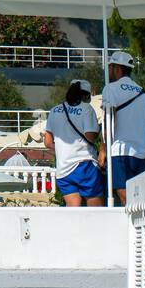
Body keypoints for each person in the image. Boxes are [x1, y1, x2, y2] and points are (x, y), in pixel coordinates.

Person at [100, 51, 145, 205]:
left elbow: (109, 118)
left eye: (111, 67)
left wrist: (103, 149)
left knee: (123, 193)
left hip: (119, 149)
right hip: (141, 151)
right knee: (138, 194)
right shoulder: (143, 93)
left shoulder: (111, 88)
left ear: (117, 68)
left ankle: (131, 226)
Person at [44, 79, 102, 207]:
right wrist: (99, 129)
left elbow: (47, 142)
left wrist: (63, 149)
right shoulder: (86, 109)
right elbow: (90, 137)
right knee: (95, 210)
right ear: (87, 95)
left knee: (73, 208)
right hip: (84, 164)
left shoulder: (55, 110)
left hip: (63, 167)